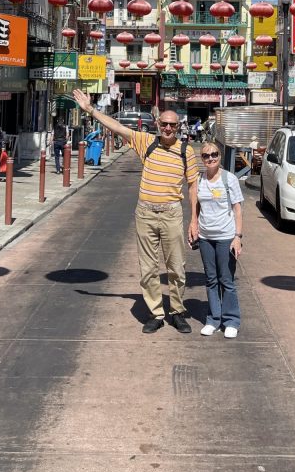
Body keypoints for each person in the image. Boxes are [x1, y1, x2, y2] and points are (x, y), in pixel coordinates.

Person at [72, 88, 199, 334]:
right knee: (148, 267)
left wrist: (194, 220)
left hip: (172, 213)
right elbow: (117, 127)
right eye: (164, 124)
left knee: (176, 267)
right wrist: (90, 110)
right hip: (146, 213)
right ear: (158, 124)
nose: (168, 129)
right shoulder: (146, 142)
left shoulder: (186, 151)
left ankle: (176, 310)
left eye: (173, 125)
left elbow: (193, 186)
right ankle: (156, 313)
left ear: (179, 126)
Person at [189, 141, 244, 338]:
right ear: (202, 159)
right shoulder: (199, 179)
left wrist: (237, 237)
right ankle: (213, 318)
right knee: (211, 279)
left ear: (220, 156)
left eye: (214, 154)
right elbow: (196, 206)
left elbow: (237, 210)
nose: (211, 158)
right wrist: (193, 226)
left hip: (226, 236)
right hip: (205, 237)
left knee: (226, 280)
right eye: (206, 155)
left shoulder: (230, 179)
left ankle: (231, 320)